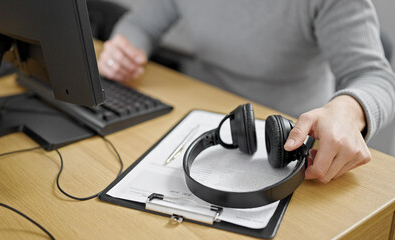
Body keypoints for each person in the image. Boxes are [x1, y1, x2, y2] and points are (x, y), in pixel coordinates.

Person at [98, 0, 395, 183]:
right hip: (195, 112)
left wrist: (349, 109)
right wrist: (124, 49)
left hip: (286, 135)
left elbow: (375, 76)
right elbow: (140, 24)